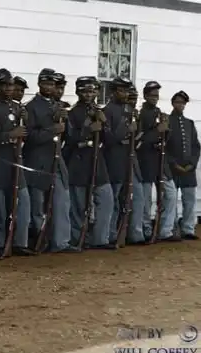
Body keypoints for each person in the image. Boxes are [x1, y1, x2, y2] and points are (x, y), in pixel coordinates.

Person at [24, 68, 78, 253]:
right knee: (38, 205)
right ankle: (40, 241)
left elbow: (69, 136)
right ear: (39, 84)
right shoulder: (31, 107)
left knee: (61, 201)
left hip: (56, 158)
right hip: (38, 160)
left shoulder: (58, 106)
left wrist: (65, 122)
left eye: (52, 84)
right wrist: (51, 129)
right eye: (46, 83)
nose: (49, 87)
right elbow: (30, 137)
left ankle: (61, 241)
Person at [65, 77, 115, 249]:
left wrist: (104, 123)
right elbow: (70, 139)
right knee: (79, 205)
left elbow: (109, 140)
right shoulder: (72, 113)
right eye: (85, 91)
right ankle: (79, 238)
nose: (89, 95)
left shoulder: (99, 112)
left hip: (97, 161)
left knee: (106, 199)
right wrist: (88, 129)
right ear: (78, 92)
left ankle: (100, 239)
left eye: (92, 91)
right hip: (79, 162)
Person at [0, 69, 34, 256]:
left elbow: (27, 133)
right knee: (0, 205)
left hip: (17, 159)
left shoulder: (18, 108)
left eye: (10, 85)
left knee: (22, 203)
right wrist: (10, 135)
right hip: (0, 161)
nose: (8, 88)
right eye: (4, 85)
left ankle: (20, 242)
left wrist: (25, 123)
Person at [102, 77, 146, 245]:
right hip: (115, 159)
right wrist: (127, 130)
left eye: (126, 90)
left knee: (137, 196)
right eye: (121, 90)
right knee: (114, 198)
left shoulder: (129, 109)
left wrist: (136, 127)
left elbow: (138, 135)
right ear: (113, 92)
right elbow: (109, 139)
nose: (125, 94)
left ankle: (135, 233)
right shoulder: (107, 110)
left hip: (130, 158)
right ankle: (111, 234)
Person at [137, 81, 179, 242]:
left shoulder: (158, 112)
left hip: (160, 159)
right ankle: (147, 229)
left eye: (156, 95)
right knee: (146, 199)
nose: (155, 98)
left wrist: (166, 129)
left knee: (171, 193)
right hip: (146, 160)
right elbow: (139, 141)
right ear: (145, 95)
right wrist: (157, 131)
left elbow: (165, 137)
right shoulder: (141, 114)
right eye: (152, 95)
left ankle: (165, 230)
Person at [167, 91, 200, 240]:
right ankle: (173, 229)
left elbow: (196, 146)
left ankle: (188, 229)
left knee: (190, 200)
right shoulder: (167, 121)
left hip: (188, 169)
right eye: (177, 102)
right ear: (173, 103)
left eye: (182, 103)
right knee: (171, 200)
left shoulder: (189, 123)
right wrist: (173, 163)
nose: (180, 105)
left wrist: (192, 164)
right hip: (173, 168)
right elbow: (164, 147)